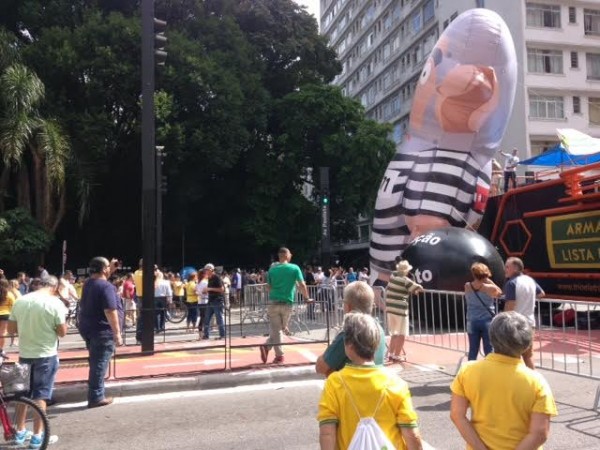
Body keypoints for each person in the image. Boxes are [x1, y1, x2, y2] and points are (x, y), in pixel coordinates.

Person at [450, 311, 557, 449]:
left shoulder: (468, 371)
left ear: (492, 337)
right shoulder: (537, 382)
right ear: (527, 344)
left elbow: (457, 415)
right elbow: (539, 433)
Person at [317, 312, 423, 450]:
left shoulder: (335, 382)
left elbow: (327, 432)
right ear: (376, 343)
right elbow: (411, 433)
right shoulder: (396, 383)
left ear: (349, 346)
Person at [8, 276, 65, 448]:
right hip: (46, 354)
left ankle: (20, 431)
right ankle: (38, 436)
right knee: (41, 394)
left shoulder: (21, 301)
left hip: (25, 353)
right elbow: (62, 332)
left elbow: (11, 329)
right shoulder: (55, 303)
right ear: (55, 287)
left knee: (22, 394)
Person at [78, 257, 124, 408]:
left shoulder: (88, 283)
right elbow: (110, 310)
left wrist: (109, 268)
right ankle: (96, 396)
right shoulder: (106, 287)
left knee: (95, 361)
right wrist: (117, 333)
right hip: (103, 330)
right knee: (100, 363)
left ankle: (96, 392)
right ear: (104, 269)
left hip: (89, 328)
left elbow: (101, 277)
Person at [315, 281, 387, 376]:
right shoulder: (379, 328)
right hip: (376, 383)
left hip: (350, 387)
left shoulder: (350, 332)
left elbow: (321, 367)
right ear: (372, 305)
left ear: (348, 306)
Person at [259, 247, 311, 364]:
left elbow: (269, 287)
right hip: (287, 302)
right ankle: (278, 355)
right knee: (280, 330)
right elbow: (302, 284)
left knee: (277, 330)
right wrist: (307, 298)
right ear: (287, 256)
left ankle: (267, 347)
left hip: (273, 302)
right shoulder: (294, 268)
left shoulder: (272, 270)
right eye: (290, 254)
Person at [503, 257, 545, 370]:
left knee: (511, 355)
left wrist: (502, 320)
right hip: (530, 323)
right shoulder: (530, 280)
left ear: (516, 268)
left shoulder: (511, 284)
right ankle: (534, 382)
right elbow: (541, 294)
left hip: (515, 324)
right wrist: (528, 297)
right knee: (528, 356)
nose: (505, 269)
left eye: (507, 267)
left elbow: (510, 305)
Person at [385, 260, 423, 363]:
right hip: (400, 310)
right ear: (406, 271)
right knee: (402, 334)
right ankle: (397, 356)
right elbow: (418, 288)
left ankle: (391, 354)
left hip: (390, 309)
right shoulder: (406, 280)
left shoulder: (392, 277)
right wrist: (417, 288)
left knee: (394, 334)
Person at [464, 262, 502, 361]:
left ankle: (470, 371)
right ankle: (489, 371)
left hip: (472, 320)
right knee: (489, 349)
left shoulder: (467, 286)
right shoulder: (490, 288)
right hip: (487, 320)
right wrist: (488, 281)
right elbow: (499, 292)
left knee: (473, 350)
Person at [201, 264, 225, 340]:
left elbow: (221, 289)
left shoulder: (217, 277)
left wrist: (209, 289)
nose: (205, 272)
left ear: (211, 270)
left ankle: (222, 335)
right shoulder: (210, 278)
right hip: (211, 300)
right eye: (205, 270)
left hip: (217, 301)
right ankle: (206, 335)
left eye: (206, 270)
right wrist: (206, 291)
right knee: (206, 319)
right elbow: (212, 289)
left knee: (219, 319)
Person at [0, 279, 16, 356]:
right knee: (2, 333)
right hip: (5, 315)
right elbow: (14, 305)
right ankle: (0, 350)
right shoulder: (9, 294)